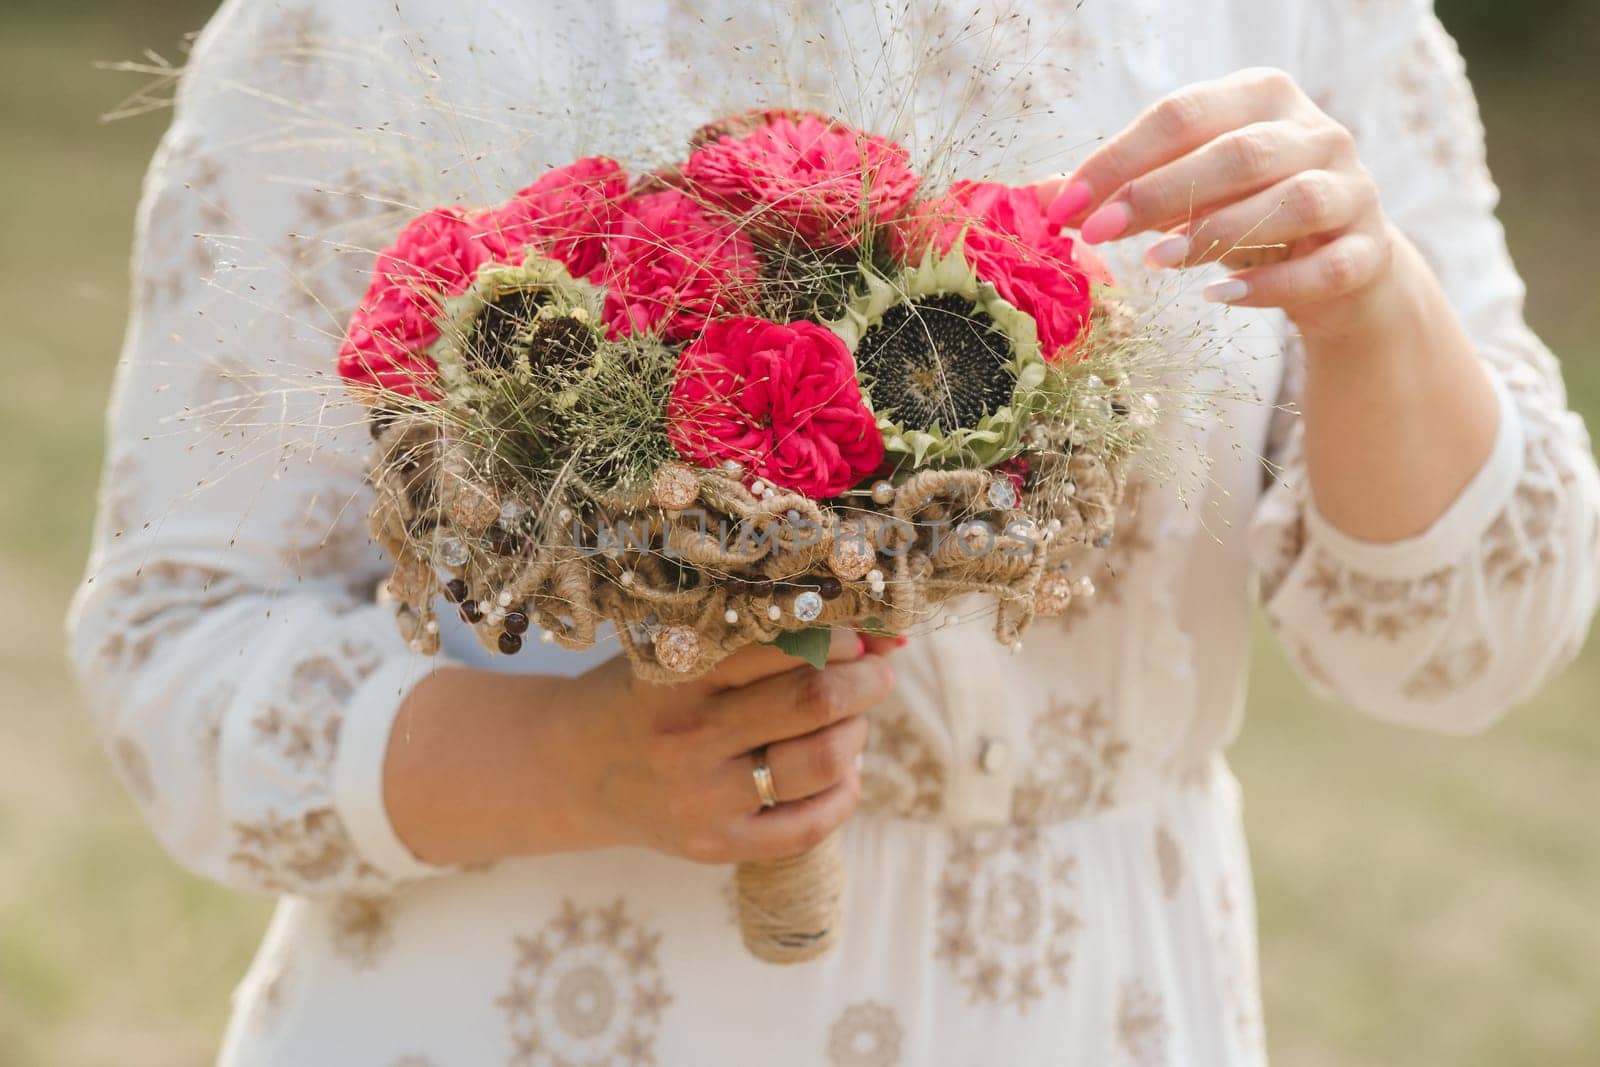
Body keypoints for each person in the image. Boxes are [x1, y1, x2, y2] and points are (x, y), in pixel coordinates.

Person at [70, 1, 1599, 1063]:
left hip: (1101, 1011)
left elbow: (1458, 653)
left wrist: (1374, 304)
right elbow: (177, 647)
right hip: (550, 1006)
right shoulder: (385, 25)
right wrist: (577, 764)